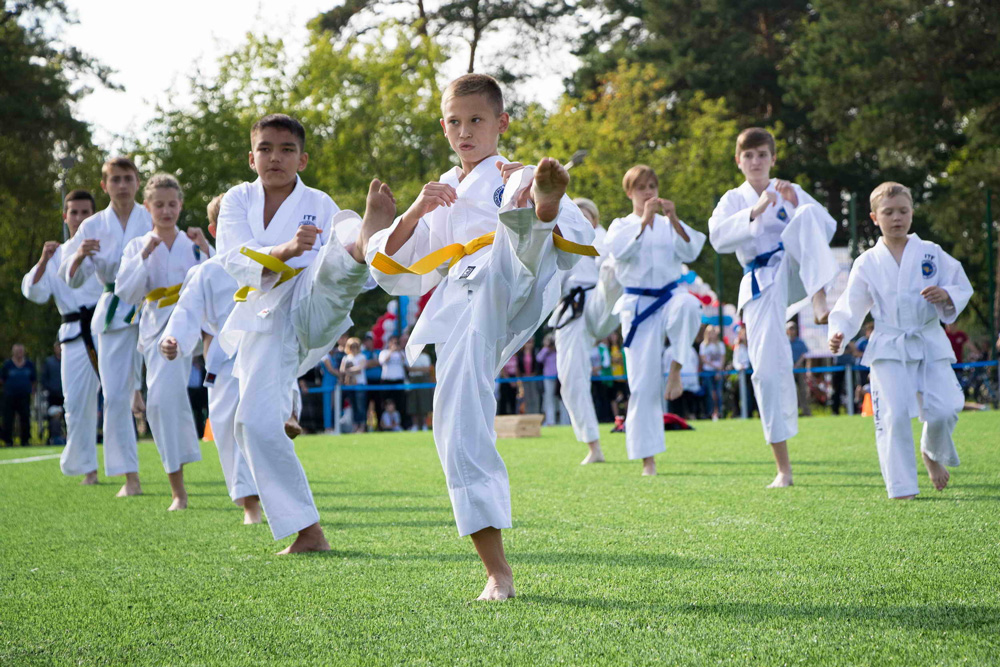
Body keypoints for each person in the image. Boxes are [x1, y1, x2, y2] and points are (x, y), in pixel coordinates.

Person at [366, 73, 595, 601]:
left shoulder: (512, 172)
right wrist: (415, 210)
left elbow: (579, 239)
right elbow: (397, 268)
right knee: (454, 421)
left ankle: (540, 212)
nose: (465, 131)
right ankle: (495, 567)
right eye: (454, 121)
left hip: (511, 272)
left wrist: (540, 198)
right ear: (444, 127)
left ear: (501, 124)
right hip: (463, 299)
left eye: (476, 120)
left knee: (518, 234)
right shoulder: (442, 190)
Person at [216, 113, 389, 553]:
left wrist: (357, 259)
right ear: (251, 157)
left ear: (303, 158)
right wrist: (286, 250)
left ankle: (362, 242)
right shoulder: (237, 199)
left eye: (287, 149)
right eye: (266, 149)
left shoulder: (319, 200)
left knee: (338, 255)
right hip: (264, 318)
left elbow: (354, 282)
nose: (276, 157)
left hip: (314, 306)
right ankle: (308, 531)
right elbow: (233, 257)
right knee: (252, 424)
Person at [708, 128, 838, 488]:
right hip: (761, 280)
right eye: (748, 156)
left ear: (773, 158)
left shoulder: (787, 187)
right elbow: (717, 237)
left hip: (795, 268)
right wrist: (755, 210)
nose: (755, 161)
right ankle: (783, 467)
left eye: (762, 154)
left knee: (808, 214)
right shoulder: (734, 199)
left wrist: (796, 201)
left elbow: (827, 227)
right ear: (739, 161)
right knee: (765, 370)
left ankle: (819, 298)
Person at [828, 182, 972, 499]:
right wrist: (839, 332)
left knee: (946, 408)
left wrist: (946, 294)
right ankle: (903, 488)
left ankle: (932, 451)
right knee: (892, 416)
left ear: (912, 213)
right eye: (889, 212)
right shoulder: (867, 261)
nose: (897, 218)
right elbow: (851, 304)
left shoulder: (931, 252)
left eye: (903, 211)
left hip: (928, 337)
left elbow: (960, 283)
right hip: (889, 344)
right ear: (874, 217)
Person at [159, 193, 261, 524]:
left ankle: (289, 411)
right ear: (215, 230)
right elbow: (187, 311)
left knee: (261, 423)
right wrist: (174, 338)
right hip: (225, 360)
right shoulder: (206, 272)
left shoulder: (268, 258)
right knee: (228, 430)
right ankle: (250, 504)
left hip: (263, 350)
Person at [115, 174, 211, 511]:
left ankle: (181, 492)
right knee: (161, 404)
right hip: (155, 329)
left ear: (181, 205)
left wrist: (208, 249)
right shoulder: (138, 245)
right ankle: (178, 486)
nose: (166, 211)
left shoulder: (194, 245)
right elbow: (125, 292)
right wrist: (143, 254)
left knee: (166, 401)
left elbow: (220, 281)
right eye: (159, 205)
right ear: (147, 207)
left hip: (191, 329)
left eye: (172, 204)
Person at [59, 157, 152, 497]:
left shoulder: (152, 215)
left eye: (128, 178)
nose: (123, 185)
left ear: (138, 182)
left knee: (159, 395)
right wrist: (79, 255)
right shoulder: (93, 225)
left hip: (153, 306)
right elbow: (71, 279)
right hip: (112, 310)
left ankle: (178, 478)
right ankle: (130, 477)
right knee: (114, 396)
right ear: (105, 185)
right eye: (115, 179)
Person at [606, 164, 705, 476]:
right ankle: (648, 458)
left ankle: (676, 367)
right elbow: (619, 254)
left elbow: (692, 248)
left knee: (689, 305)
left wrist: (673, 219)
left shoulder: (667, 224)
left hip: (669, 296)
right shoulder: (621, 224)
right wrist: (643, 222)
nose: (648, 192)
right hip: (637, 306)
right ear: (630, 193)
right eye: (641, 188)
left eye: (652, 186)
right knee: (643, 385)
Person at [22, 189, 103, 473]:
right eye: (74, 212)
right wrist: (44, 260)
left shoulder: (105, 246)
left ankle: (127, 471)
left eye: (85, 212)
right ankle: (87, 467)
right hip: (73, 333)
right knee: (76, 403)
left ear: (94, 215)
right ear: (65, 216)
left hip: (107, 326)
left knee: (121, 397)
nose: (80, 218)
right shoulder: (56, 255)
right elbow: (35, 293)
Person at [548, 197, 622, 463]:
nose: (581, 220)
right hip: (571, 309)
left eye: (586, 216)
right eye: (575, 216)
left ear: (595, 220)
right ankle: (593, 446)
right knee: (570, 379)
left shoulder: (605, 238)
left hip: (603, 300)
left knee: (612, 268)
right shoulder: (557, 243)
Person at [1, 345, 36, 446]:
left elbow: (33, 380)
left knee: (25, 418)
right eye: (17, 351)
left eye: (21, 351)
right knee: (8, 419)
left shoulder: (29, 364)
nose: (19, 353)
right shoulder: (7, 365)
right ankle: (8, 441)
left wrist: (32, 391)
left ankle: (25, 440)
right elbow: (2, 379)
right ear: (13, 352)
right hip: (9, 396)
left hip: (24, 396)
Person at [340, 337, 368, 433]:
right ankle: (355, 425)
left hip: (360, 384)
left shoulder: (362, 356)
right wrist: (351, 371)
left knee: (361, 406)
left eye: (355, 346)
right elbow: (342, 370)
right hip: (349, 385)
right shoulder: (346, 357)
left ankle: (362, 426)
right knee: (353, 406)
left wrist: (349, 370)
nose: (353, 348)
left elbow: (360, 368)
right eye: (351, 346)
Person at [378, 335, 407, 425]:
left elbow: (406, 363)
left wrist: (400, 352)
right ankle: (384, 425)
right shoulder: (384, 352)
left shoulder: (402, 353)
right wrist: (391, 351)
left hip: (399, 380)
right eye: (393, 342)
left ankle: (400, 424)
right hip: (387, 380)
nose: (395, 344)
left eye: (396, 343)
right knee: (385, 403)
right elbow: (382, 362)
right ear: (389, 343)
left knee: (400, 403)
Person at [699, 325, 726, 421]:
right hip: (708, 371)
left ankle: (719, 412)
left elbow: (723, 358)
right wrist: (715, 366)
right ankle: (710, 412)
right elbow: (703, 359)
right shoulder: (703, 345)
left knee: (718, 392)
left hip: (718, 372)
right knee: (710, 393)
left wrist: (719, 370)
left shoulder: (720, 345)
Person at [535, 333, 563, 426]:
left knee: (560, 400)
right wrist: (546, 348)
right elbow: (538, 358)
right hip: (548, 377)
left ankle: (564, 421)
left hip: (559, 378)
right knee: (549, 399)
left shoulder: (559, 350)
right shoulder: (545, 351)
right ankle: (551, 421)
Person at [40, 344, 64, 444]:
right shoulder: (49, 362)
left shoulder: (69, 361)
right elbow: (44, 378)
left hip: (67, 395)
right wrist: (49, 389)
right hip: (53, 396)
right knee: (54, 417)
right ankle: (54, 438)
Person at [786, 321, 812, 417]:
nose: (792, 331)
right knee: (789, 392)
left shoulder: (800, 342)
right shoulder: (784, 342)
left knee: (803, 391)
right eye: (790, 329)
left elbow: (804, 355)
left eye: (794, 328)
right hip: (787, 369)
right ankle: (792, 413)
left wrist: (797, 365)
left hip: (799, 368)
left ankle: (806, 412)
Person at [406, 349, 434, 430]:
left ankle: (424, 424)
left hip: (424, 380)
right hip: (413, 380)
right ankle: (415, 425)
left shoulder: (425, 356)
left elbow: (428, 369)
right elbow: (409, 368)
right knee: (413, 402)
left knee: (424, 402)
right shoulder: (410, 356)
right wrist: (421, 368)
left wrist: (415, 369)